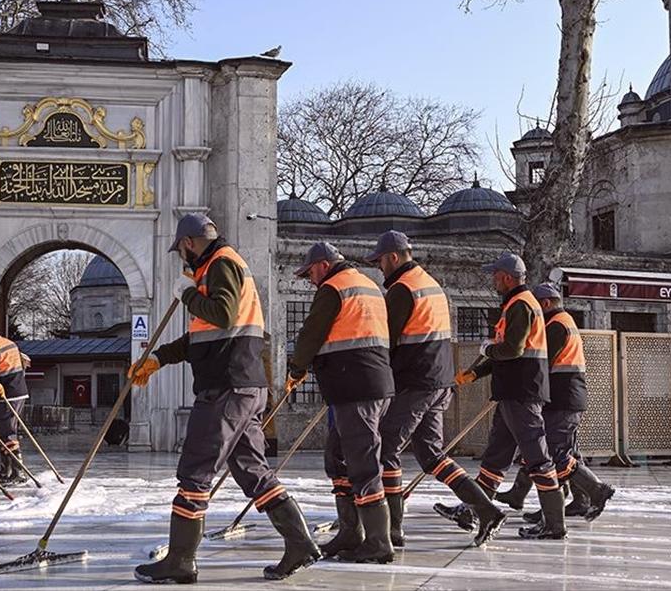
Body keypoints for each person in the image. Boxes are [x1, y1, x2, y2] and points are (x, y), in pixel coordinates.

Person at [131, 214, 321, 583]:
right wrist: (158, 358)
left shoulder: (222, 264)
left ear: (188, 243)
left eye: (180, 251)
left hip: (226, 387)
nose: (181, 259)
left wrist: (186, 294)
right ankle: (300, 544)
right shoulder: (219, 268)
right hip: (242, 385)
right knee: (252, 471)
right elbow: (203, 337)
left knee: (196, 470)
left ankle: (181, 561)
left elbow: (221, 315)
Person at [444, 253, 567, 543]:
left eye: (495, 275)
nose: (493, 280)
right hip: (511, 391)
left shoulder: (521, 304)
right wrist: (473, 374)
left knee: (537, 457)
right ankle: (473, 510)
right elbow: (504, 353)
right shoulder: (514, 304)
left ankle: (555, 524)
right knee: (496, 457)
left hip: (522, 392)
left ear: (508, 277)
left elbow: (512, 349)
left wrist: (487, 350)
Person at [367, 231, 479, 548]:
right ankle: (484, 509)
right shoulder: (430, 284)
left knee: (386, 449)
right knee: (431, 454)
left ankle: (392, 527)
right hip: (438, 381)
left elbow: (387, 340)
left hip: (416, 382)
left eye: (379, 262)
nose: (379, 269)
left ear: (393, 257)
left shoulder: (402, 289)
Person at [288, 242, 395, 564]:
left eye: (309, 273)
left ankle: (379, 541)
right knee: (338, 457)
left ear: (322, 265)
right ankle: (351, 532)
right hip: (365, 383)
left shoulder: (334, 287)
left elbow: (312, 332)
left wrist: (297, 367)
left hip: (357, 386)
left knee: (362, 464)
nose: (310, 280)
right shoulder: (369, 284)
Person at [500, 284, 615, 527]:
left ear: (545, 304)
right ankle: (575, 501)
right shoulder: (565, 321)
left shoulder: (554, 326)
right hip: (568, 397)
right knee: (564, 451)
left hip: (562, 399)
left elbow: (540, 362)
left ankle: (596, 490)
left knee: (553, 454)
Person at [0, 331, 30, 485]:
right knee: (4, 432)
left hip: (7, 394)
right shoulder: (7, 342)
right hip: (19, 391)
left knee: (7, 433)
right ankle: (5, 471)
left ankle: (18, 472)